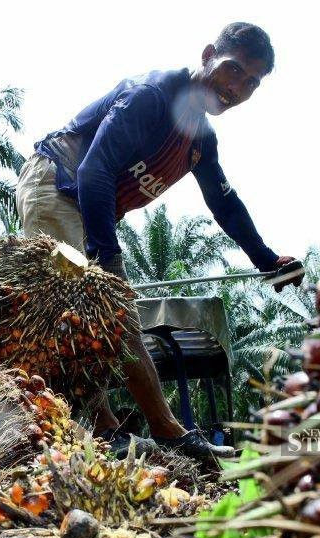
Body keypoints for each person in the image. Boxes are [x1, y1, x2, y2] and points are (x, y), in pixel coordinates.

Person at [17, 22, 296, 459]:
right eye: (233, 70)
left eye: (251, 83)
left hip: (90, 204)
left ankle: (122, 429)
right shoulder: (151, 95)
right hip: (58, 184)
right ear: (208, 54)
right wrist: (105, 256)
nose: (236, 88)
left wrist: (267, 260)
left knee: (106, 309)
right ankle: (155, 429)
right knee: (93, 306)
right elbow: (94, 170)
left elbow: (225, 204)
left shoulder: (201, 138)